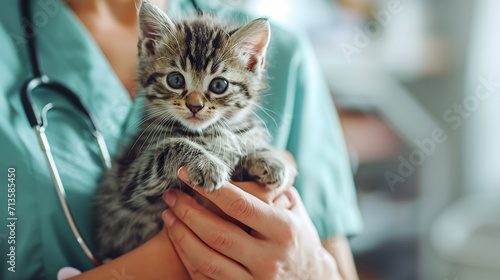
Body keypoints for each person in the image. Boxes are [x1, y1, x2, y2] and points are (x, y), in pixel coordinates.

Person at [0, 0, 363, 279]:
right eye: (177, 81)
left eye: (217, 86)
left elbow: (337, 268)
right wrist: (163, 262)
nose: (194, 102)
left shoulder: (287, 54)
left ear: (253, 62)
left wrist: (308, 269)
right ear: (150, 45)